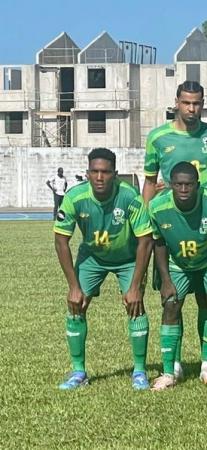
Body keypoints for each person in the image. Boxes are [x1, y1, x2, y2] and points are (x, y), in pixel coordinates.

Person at [142, 80, 207, 381]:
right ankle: (172, 364)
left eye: (198, 103)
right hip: (169, 226)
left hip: (205, 226)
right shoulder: (158, 137)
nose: (193, 109)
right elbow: (150, 182)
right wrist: (145, 225)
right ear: (176, 102)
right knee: (171, 298)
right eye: (187, 103)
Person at [53, 148, 153, 390]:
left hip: (128, 258)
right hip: (93, 258)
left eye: (105, 172)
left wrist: (136, 286)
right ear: (87, 173)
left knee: (135, 306)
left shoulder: (129, 196)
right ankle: (78, 372)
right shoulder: (75, 197)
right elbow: (60, 240)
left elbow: (146, 240)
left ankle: (139, 371)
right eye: (95, 172)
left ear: (115, 174)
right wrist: (73, 287)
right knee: (76, 305)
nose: (100, 177)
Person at [148, 162, 207, 392]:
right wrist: (165, 280)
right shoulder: (157, 207)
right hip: (178, 262)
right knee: (171, 305)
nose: (184, 189)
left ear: (198, 184)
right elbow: (159, 242)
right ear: (171, 185)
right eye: (179, 184)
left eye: (189, 184)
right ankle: (170, 370)